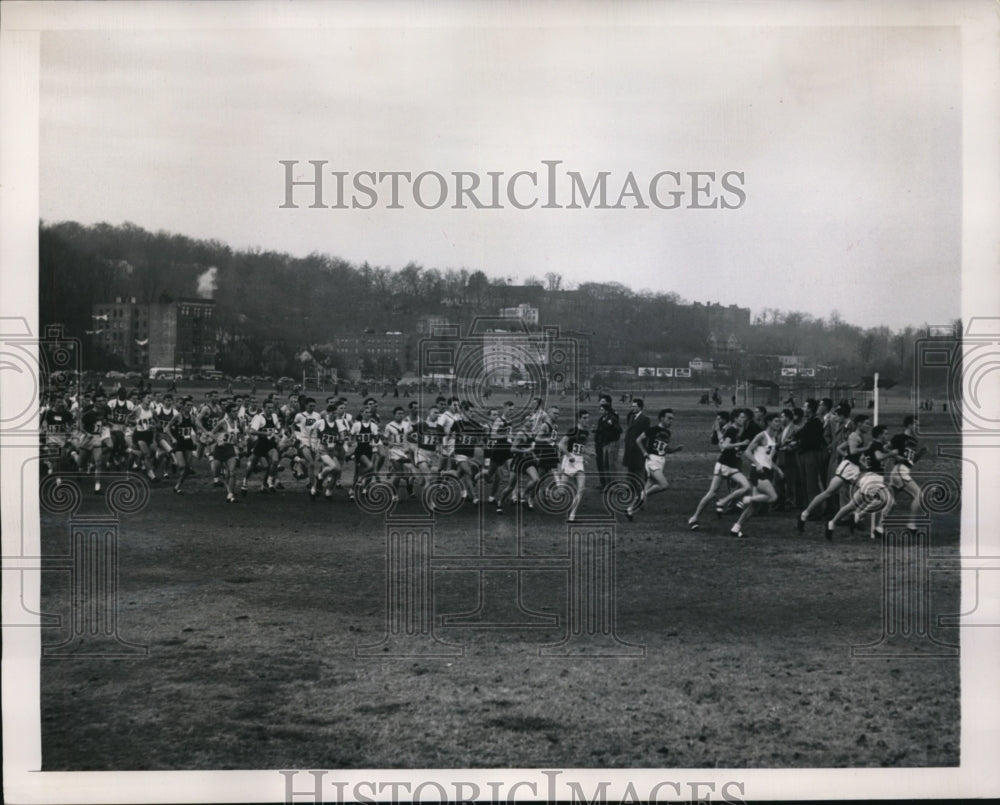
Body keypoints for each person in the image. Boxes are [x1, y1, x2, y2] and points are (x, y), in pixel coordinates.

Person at [799, 413, 871, 538]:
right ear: (859, 424)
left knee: (864, 491)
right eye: (867, 423)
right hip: (848, 468)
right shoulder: (854, 435)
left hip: (851, 467)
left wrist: (856, 460)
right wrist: (867, 449)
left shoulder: (856, 436)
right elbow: (853, 451)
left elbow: (840, 448)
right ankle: (806, 514)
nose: (868, 426)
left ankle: (852, 517)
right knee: (830, 492)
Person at [688, 410, 750, 529]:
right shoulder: (732, 430)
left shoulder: (737, 430)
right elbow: (725, 446)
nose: (744, 419)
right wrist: (741, 443)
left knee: (746, 486)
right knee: (712, 492)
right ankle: (694, 517)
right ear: (735, 419)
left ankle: (723, 502)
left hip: (731, 465)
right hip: (724, 464)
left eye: (745, 417)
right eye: (741, 417)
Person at [729, 414, 784, 538]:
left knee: (754, 507)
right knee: (773, 497)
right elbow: (747, 452)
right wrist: (757, 464)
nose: (778, 423)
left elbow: (768, 459)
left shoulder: (774, 438)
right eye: (776, 421)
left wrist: (778, 469)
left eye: (779, 421)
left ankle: (736, 528)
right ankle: (747, 499)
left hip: (767, 471)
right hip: (759, 472)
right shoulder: (761, 436)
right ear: (769, 422)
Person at [627, 408, 683, 521]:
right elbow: (638, 440)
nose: (671, 421)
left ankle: (630, 509)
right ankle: (644, 494)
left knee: (649, 485)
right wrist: (644, 453)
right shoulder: (652, 430)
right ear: (662, 418)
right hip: (652, 460)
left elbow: (665, 449)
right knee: (664, 485)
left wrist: (676, 449)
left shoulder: (668, 433)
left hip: (661, 462)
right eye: (669, 418)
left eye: (672, 419)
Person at [883, 415, 927, 529]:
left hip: (902, 471)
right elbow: (885, 448)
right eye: (915, 424)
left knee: (892, 503)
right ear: (909, 425)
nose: (917, 427)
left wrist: (920, 454)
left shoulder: (914, 441)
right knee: (919, 495)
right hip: (899, 471)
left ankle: (879, 526)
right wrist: (896, 456)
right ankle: (911, 523)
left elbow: (911, 461)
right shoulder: (899, 437)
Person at [557, 410, 591, 522]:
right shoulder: (573, 431)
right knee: (562, 491)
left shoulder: (586, 433)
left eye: (588, 418)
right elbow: (561, 445)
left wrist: (588, 454)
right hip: (569, 460)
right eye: (585, 418)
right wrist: (568, 455)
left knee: (581, 488)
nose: (587, 420)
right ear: (579, 419)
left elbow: (581, 447)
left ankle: (572, 516)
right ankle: (548, 492)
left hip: (579, 462)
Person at [796, 398, 827, 507]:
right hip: (805, 454)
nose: (803, 409)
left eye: (805, 406)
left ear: (810, 409)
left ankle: (815, 509)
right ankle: (809, 506)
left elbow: (812, 441)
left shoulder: (816, 422)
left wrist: (798, 444)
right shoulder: (809, 422)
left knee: (811, 484)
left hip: (811, 455)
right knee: (805, 482)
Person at [593, 394, 622, 490]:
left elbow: (617, 429)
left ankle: (610, 485)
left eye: (603, 402)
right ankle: (605, 484)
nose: (600, 404)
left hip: (609, 442)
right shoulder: (603, 416)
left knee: (610, 464)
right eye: (600, 402)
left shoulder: (612, 415)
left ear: (608, 403)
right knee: (603, 464)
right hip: (602, 442)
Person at [621, 398, 650, 491]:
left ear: (640, 407)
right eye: (632, 406)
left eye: (635, 406)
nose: (633, 408)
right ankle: (630, 485)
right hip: (629, 446)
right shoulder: (631, 417)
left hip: (638, 447)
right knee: (630, 467)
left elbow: (646, 434)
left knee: (639, 468)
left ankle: (642, 486)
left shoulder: (645, 419)